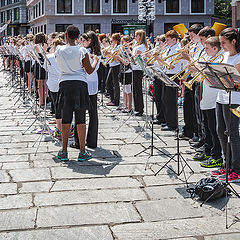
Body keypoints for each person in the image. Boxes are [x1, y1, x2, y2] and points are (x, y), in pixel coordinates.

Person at [55, 25, 99, 161]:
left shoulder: (59, 49)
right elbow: (89, 70)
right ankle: (82, 152)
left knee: (66, 118)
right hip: (79, 84)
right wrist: (96, 60)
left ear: (66, 35)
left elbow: (58, 63)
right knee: (80, 119)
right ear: (78, 37)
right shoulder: (82, 50)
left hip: (65, 84)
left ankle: (63, 151)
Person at [211, 28, 240, 182]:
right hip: (221, 97)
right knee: (220, 131)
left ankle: (236, 169)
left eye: (224, 42)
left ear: (233, 41)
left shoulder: (238, 59)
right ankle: (226, 164)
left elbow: (237, 82)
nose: (221, 45)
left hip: (234, 99)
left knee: (232, 133)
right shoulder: (224, 56)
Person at [191, 37, 223, 168]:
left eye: (207, 48)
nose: (204, 50)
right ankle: (208, 150)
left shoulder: (219, 60)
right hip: (205, 97)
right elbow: (199, 78)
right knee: (207, 126)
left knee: (213, 128)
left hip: (213, 98)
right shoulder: (210, 58)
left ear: (215, 48)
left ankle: (216, 155)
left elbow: (215, 80)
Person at [71, 31, 101, 149]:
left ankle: (79, 142)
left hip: (84, 83)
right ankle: (92, 141)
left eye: (83, 40)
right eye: (81, 40)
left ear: (90, 41)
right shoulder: (96, 52)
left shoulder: (85, 52)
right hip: (93, 83)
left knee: (80, 113)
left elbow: (84, 68)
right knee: (93, 113)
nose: (81, 43)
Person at [132, 30, 147, 116]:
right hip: (134, 67)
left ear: (140, 37)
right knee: (135, 89)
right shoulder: (136, 45)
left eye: (137, 36)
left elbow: (143, 58)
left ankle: (139, 108)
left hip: (138, 68)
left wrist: (138, 55)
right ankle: (136, 107)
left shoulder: (142, 46)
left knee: (138, 89)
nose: (135, 37)